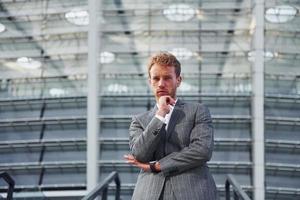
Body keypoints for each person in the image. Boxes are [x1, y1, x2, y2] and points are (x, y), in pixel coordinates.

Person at [124, 52, 218, 200]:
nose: (161, 83)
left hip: (192, 191)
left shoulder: (198, 111)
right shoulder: (139, 120)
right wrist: (160, 114)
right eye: (156, 78)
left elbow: (202, 151)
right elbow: (140, 154)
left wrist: (157, 166)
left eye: (167, 78)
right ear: (150, 81)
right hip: (150, 193)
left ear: (178, 80)